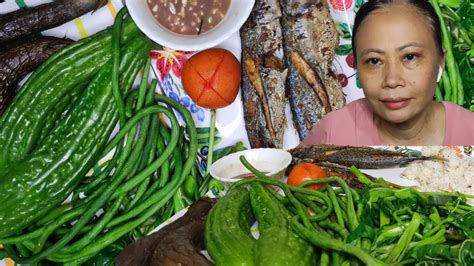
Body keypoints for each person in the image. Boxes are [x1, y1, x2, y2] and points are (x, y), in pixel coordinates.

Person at [302, 0, 474, 146]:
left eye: (410, 56)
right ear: (357, 67)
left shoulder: (469, 132)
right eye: (374, 61)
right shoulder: (333, 133)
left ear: (440, 62)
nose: (392, 80)